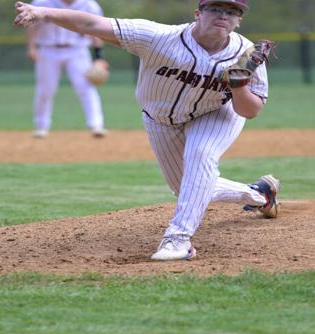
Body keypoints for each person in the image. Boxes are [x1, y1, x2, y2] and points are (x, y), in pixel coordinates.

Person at [14, 0, 280, 262]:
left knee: (200, 156)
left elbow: (250, 111)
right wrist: (42, 12)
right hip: (160, 118)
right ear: (198, 14)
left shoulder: (245, 53)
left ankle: (178, 239)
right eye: (215, 8)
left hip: (216, 113)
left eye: (232, 11)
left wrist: (238, 86)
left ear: (239, 21)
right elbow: (91, 24)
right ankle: (260, 194)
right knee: (186, 187)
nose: (223, 15)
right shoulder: (159, 37)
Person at [25, 0, 107, 139]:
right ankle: (41, 126)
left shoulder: (89, 5)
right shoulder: (42, 2)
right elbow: (33, 27)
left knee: (85, 87)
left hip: (78, 50)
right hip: (48, 49)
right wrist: (31, 48)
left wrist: (99, 56)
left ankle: (96, 125)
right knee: (45, 90)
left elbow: (97, 30)